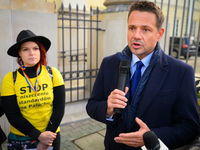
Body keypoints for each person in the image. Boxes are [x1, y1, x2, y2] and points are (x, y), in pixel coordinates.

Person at [86, 1, 200, 150]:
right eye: (132, 28)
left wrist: (152, 137)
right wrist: (107, 108)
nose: (136, 35)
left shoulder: (181, 71)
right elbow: (92, 105)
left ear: (159, 34)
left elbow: (190, 127)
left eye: (145, 29)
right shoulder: (109, 63)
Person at [1, 30, 65, 150]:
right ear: (19, 53)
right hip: (22, 138)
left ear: (41, 51)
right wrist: (38, 136)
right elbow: (12, 115)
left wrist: (46, 140)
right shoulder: (10, 79)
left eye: (35, 48)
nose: (31, 53)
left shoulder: (53, 73)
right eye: (25, 49)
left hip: (51, 136)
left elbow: (59, 108)